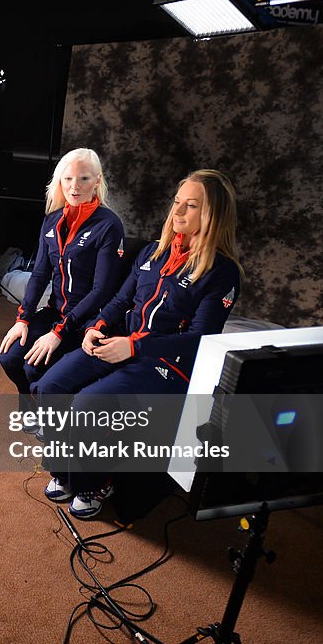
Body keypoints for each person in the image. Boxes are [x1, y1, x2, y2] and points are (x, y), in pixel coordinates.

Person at [36, 169, 243, 518]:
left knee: (88, 405)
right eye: (177, 202)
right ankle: (66, 472)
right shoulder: (152, 252)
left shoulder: (222, 272)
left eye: (191, 206)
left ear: (213, 215)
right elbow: (119, 300)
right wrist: (96, 327)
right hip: (123, 343)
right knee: (50, 385)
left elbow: (198, 339)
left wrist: (134, 347)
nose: (177, 212)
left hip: (165, 364)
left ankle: (94, 483)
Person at [0, 148, 125, 430]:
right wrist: (23, 318)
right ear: (59, 181)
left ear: (97, 181)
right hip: (56, 312)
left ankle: (51, 420)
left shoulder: (109, 226)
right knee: (9, 358)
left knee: (34, 366)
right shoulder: (52, 221)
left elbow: (102, 290)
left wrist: (58, 333)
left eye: (83, 178)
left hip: (87, 321)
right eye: (68, 178)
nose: (74, 186)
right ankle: (29, 405)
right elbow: (40, 274)